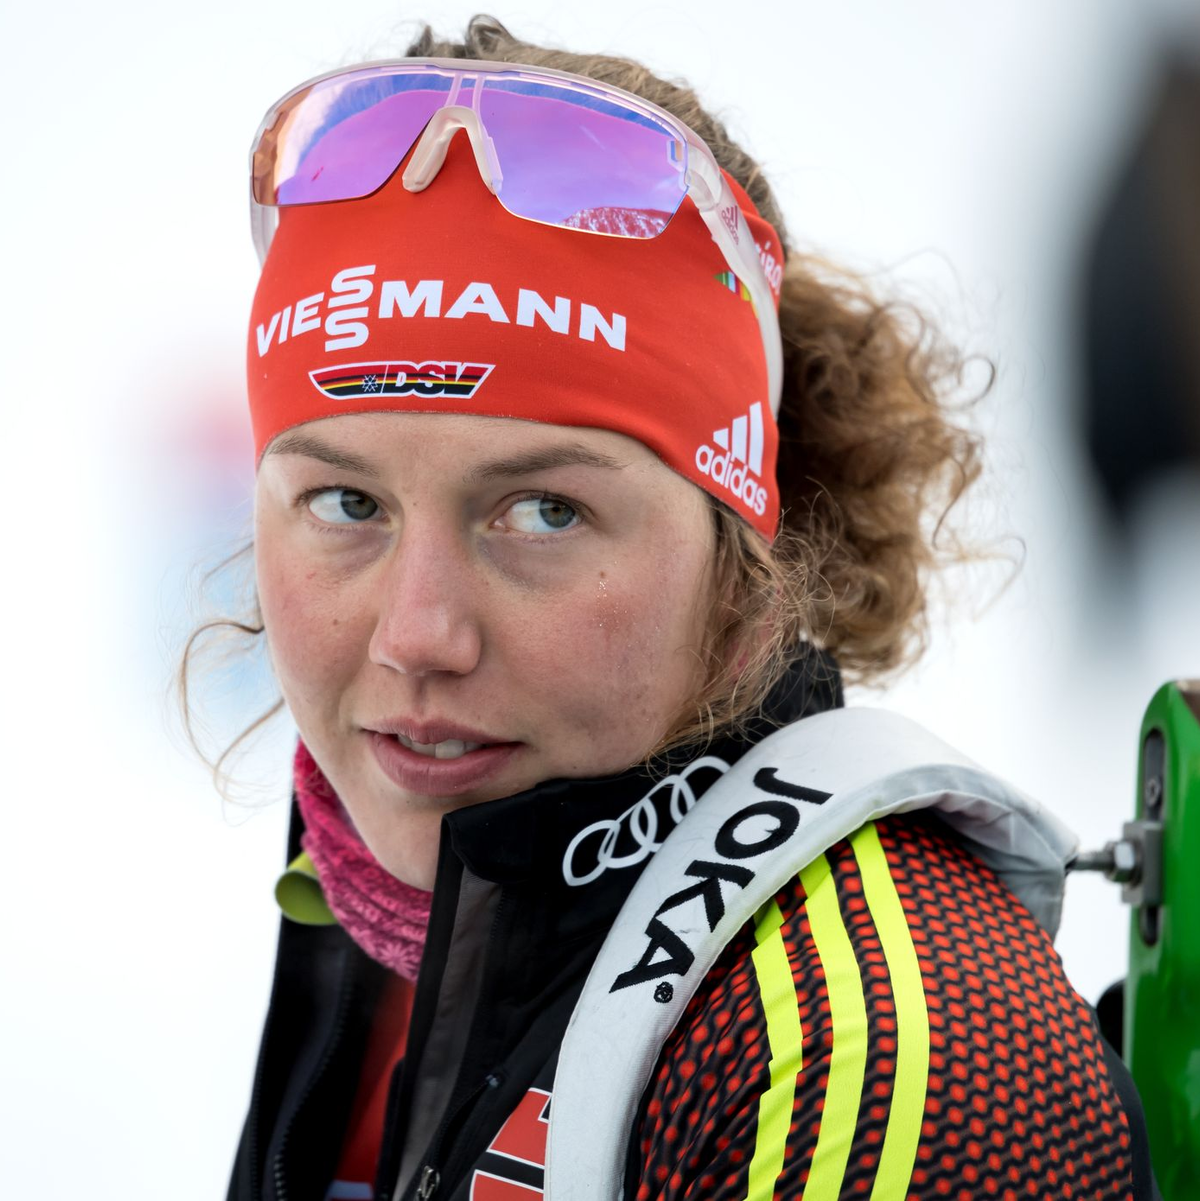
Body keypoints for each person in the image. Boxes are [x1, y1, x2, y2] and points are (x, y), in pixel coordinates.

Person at [194, 15, 1160, 1201]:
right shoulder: (416, 872)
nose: (416, 636)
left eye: (543, 513)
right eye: (347, 501)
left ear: (745, 551)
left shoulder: (863, 1056)